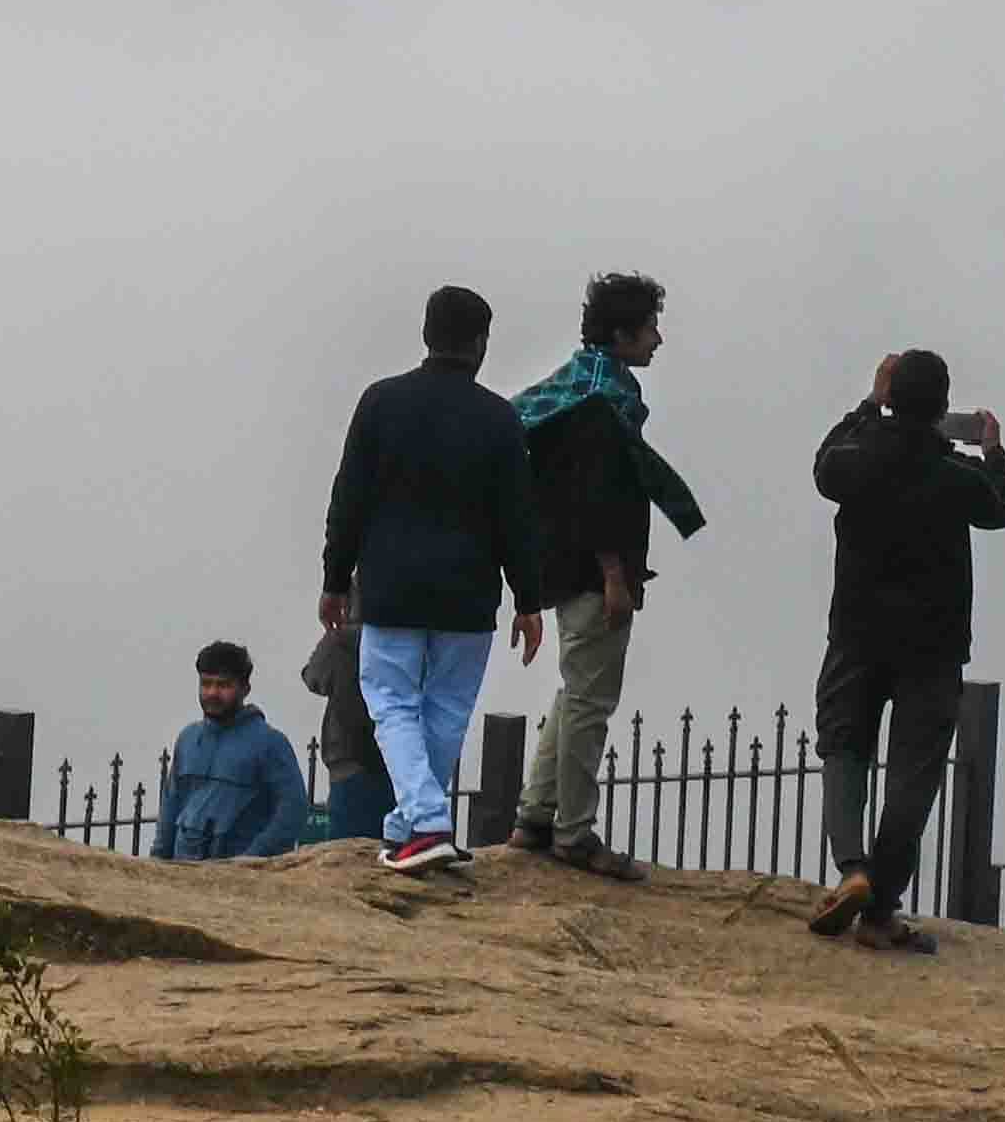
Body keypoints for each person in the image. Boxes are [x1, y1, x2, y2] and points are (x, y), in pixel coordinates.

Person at [809, 348, 1005, 952]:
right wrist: (993, 449)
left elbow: (823, 464)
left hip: (856, 632)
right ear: (940, 407)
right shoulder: (957, 475)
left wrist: (867, 404)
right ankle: (879, 907)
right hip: (932, 646)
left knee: (845, 746)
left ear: (892, 395)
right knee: (914, 773)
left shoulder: (856, 458)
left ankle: (851, 867)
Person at [319, 284, 544, 874]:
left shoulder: (380, 403)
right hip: (470, 595)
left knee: (392, 703)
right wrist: (528, 596)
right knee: (445, 711)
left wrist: (335, 577)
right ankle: (411, 828)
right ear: (479, 343)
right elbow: (517, 517)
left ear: (426, 334)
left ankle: (424, 823)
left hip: (392, 587)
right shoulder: (499, 419)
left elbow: (349, 497)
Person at [510, 270, 703, 880]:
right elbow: (598, 498)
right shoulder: (601, 405)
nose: (658, 340)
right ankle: (574, 832)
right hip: (593, 571)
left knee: (575, 692)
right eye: (650, 328)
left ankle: (535, 817)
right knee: (592, 701)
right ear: (621, 334)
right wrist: (615, 576)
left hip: (562, 566)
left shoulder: (573, 391)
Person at [155, 640, 313, 861]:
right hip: (183, 873)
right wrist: (157, 862)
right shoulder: (188, 740)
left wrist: (252, 859)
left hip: (242, 879)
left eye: (223, 685)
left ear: (245, 689)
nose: (212, 693)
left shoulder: (270, 743)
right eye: (206, 683)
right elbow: (170, 807)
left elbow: (293, 810)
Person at [295, 627, 394, 848]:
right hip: (401, 758)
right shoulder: (411, 632)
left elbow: (314, 677)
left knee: (350, 851)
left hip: (350, 755)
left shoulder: (343, 636)